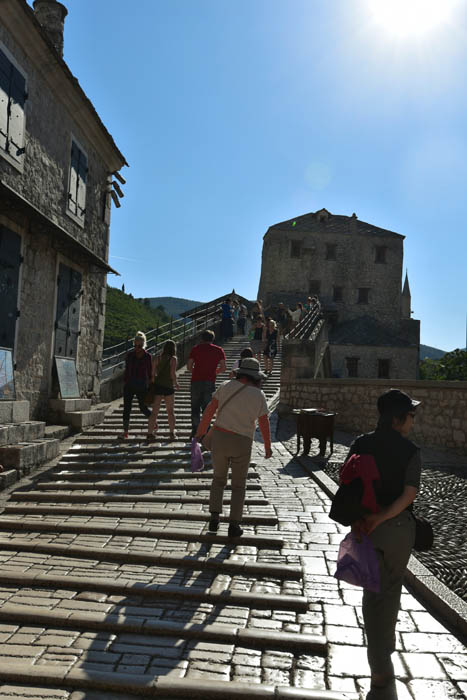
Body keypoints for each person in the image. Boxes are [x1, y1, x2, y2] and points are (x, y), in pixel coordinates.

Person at [347, 389, 421, 693]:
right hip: (396, 529)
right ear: (397, 419)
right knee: (389, 592)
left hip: (364, 526)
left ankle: (376, 658)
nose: (413, 422)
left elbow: (349, 485)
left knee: (370, 592)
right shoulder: (410, 450)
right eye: (411, 416)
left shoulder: (361, 443)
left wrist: (364, 520)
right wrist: (383, 517)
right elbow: (409, 494)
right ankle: (382, 662)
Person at [195, 357, 272, 537]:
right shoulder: (258, 395)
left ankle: (214, 519)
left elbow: (209, 411)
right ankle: (234, 525)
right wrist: (267, 447)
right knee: (239, 485)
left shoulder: (225, 386)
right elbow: (264, 422)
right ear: (255, 377)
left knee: (218, 479)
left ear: (240, 373)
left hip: (220, 438)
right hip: (242, 441)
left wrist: (200, 434)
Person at [187, 330, 226, 437]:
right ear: (213, 339)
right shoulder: (219, 350)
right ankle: (205, 431)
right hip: (210, 381)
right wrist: (214, 372)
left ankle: (195, 430)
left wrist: (196, 371)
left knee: (195, 407)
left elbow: (189, 366)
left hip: (196, 381)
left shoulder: (195, 349)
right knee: (207, 408)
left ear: (202, 339)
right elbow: (223, 367)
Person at [119, 331, 152, 440]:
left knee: (143, 407)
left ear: (144, 344)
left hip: (141, 385)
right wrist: (125, 382)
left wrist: (150, 386)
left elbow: (150, 372)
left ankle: (153, 420)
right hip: (129, 384)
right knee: (127, 408)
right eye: (135, 345)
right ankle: (125, 432)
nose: (137, 348)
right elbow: (127, 370)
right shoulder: (130, 355)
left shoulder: (147, 356)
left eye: (140, 345)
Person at [146, 340, 180, 442]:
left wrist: (153, 382)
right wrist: (176, 383)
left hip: (158, 387)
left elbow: (152, 374)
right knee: (170, 411)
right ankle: (172, 433)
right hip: (168, 387)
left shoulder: (157, 358)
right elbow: (172, 374)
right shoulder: (173, 359)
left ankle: (149, 433)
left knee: (154, 412)